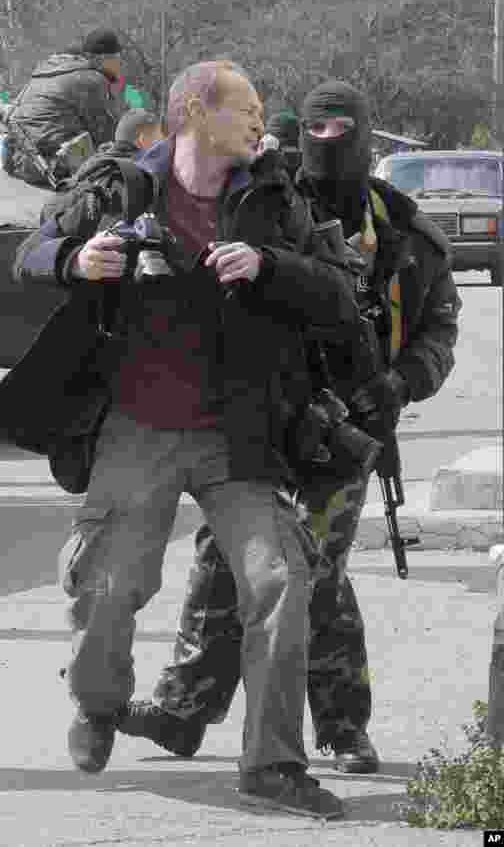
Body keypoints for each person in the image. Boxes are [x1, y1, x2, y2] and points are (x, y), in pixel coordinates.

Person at [0, 60, 360, 819]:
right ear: (196, 111)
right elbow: (29, 254)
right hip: (139, 426)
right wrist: (78, 259)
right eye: (248, 107)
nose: (262, 121)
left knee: (279, 580)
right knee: (108, 586)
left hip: (240, 436)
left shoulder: (272, 198)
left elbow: (338, 294)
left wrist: (271, 266)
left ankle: (271, 765)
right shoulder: (120, 187)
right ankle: (97, 703)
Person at [120, 80, 460, 774]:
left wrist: (398, 384)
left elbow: (437, 331)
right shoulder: (267, 201)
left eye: (345, 133)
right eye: (318, 134)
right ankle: (184, 708)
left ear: (365, 137)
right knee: (221, 553)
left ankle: (340, 726)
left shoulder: (404, 233)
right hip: (265, 412)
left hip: (349, 424)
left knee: (313, 565)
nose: (330, 148)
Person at [4, 28, 126, 187]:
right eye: (117, 58)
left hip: (19, 161)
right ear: (102, 58)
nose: (120, 65)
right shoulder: (92, 79)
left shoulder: (49, 70)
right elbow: (108, 137)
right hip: (50, 168)